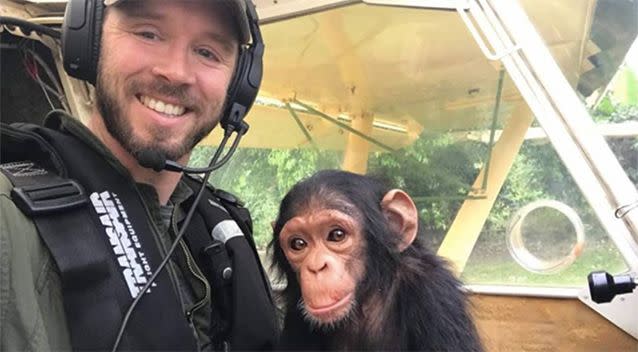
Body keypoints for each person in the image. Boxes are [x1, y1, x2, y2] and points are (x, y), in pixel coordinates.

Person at [0, 0, 277, 351]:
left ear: (240, 84)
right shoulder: (8, 220)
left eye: (207, 52)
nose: (176, 72)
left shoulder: (219, 226)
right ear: (88, 40)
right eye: (148, 33)